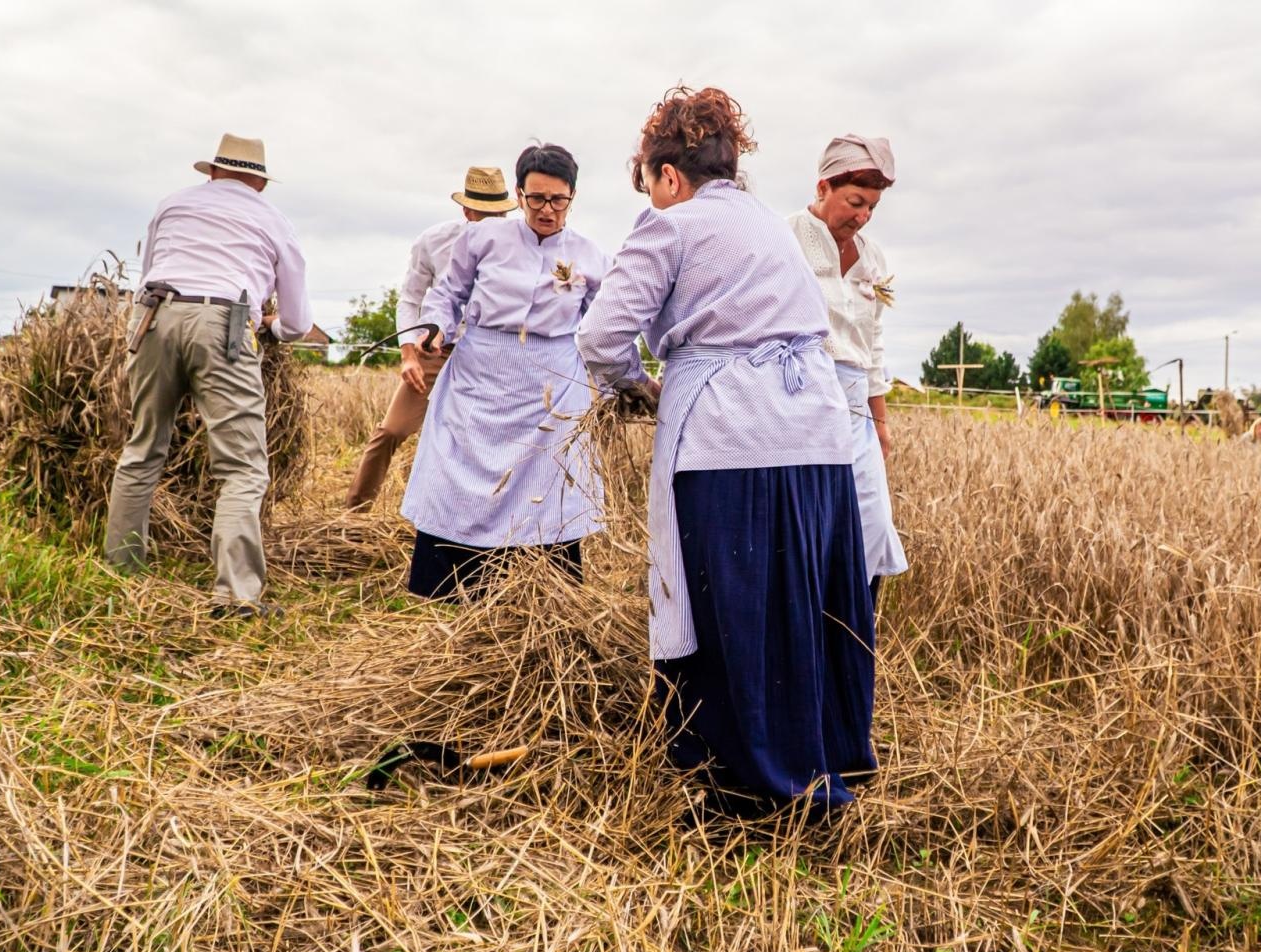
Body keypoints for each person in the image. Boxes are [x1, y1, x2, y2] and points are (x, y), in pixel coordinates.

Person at [577, 86, 875, 813]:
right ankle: (827, 754)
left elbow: (601, 339)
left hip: (731, 435)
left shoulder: (670, 226)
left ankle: (748, 781)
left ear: (667, 174)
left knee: (733, 605)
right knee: (802, 597)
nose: (652, 198)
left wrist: (637, 386)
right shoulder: (768, 223)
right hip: (818, 432)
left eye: (650, 184)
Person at [105, 134, 310, 619]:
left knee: (143, 447)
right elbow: (298, 321)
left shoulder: (172, 204)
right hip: (223, 322)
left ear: (213, 172)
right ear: (260, 182)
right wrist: (272, 328)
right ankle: (236, 596)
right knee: (242, 468)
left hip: (153, 315)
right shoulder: (273, 220)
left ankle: (120, 571)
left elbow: (148, 271)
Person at [402, 144, 609, 597]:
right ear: (518, 194)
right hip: (480, 374)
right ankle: (457, 590)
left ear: (572, 196)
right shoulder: (483, 240)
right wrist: (433, 328)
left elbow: (603, 326)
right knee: (463, 478)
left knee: (545, 484)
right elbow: (447, 295)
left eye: (558, 200)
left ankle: (542, 594)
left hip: (552, 383)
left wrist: (623, 382)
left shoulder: (590, 256)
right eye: (536, 198)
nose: (547, 210)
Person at [345, 167, 517, 510]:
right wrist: (409, 355)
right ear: (466, 211)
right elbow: (410, 299)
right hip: (437, 351)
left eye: (497, 215)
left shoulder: (520, 248)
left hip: (491, 356)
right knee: (393, 430)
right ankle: (355, 512)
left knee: (480, 443)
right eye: (482, 214)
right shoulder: (434, 241)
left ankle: (478, 517)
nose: (490, 222)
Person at [788, 135, 908, 616]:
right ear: (823, 187)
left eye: (872, 207)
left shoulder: (872, 258)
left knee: (871, 523)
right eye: (856, 202)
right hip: (800, 401)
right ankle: (807, 631)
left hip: (856, 406)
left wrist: (881, 423)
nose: (863, 216)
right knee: (811, 525)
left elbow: (872, 345)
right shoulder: (786, 239)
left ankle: (854, 634)